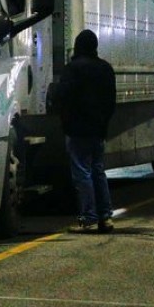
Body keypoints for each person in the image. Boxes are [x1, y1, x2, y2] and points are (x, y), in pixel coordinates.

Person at [54, 29, 117, 234]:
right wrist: (104, 123)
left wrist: (65, 121)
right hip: (98, 129)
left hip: (77, 129)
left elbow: (63, 96)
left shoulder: (72, 69)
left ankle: (89, 217)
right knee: (98, 171)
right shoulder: (106, 69)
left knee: (82, 173)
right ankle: (105, 217)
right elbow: (111, 101)